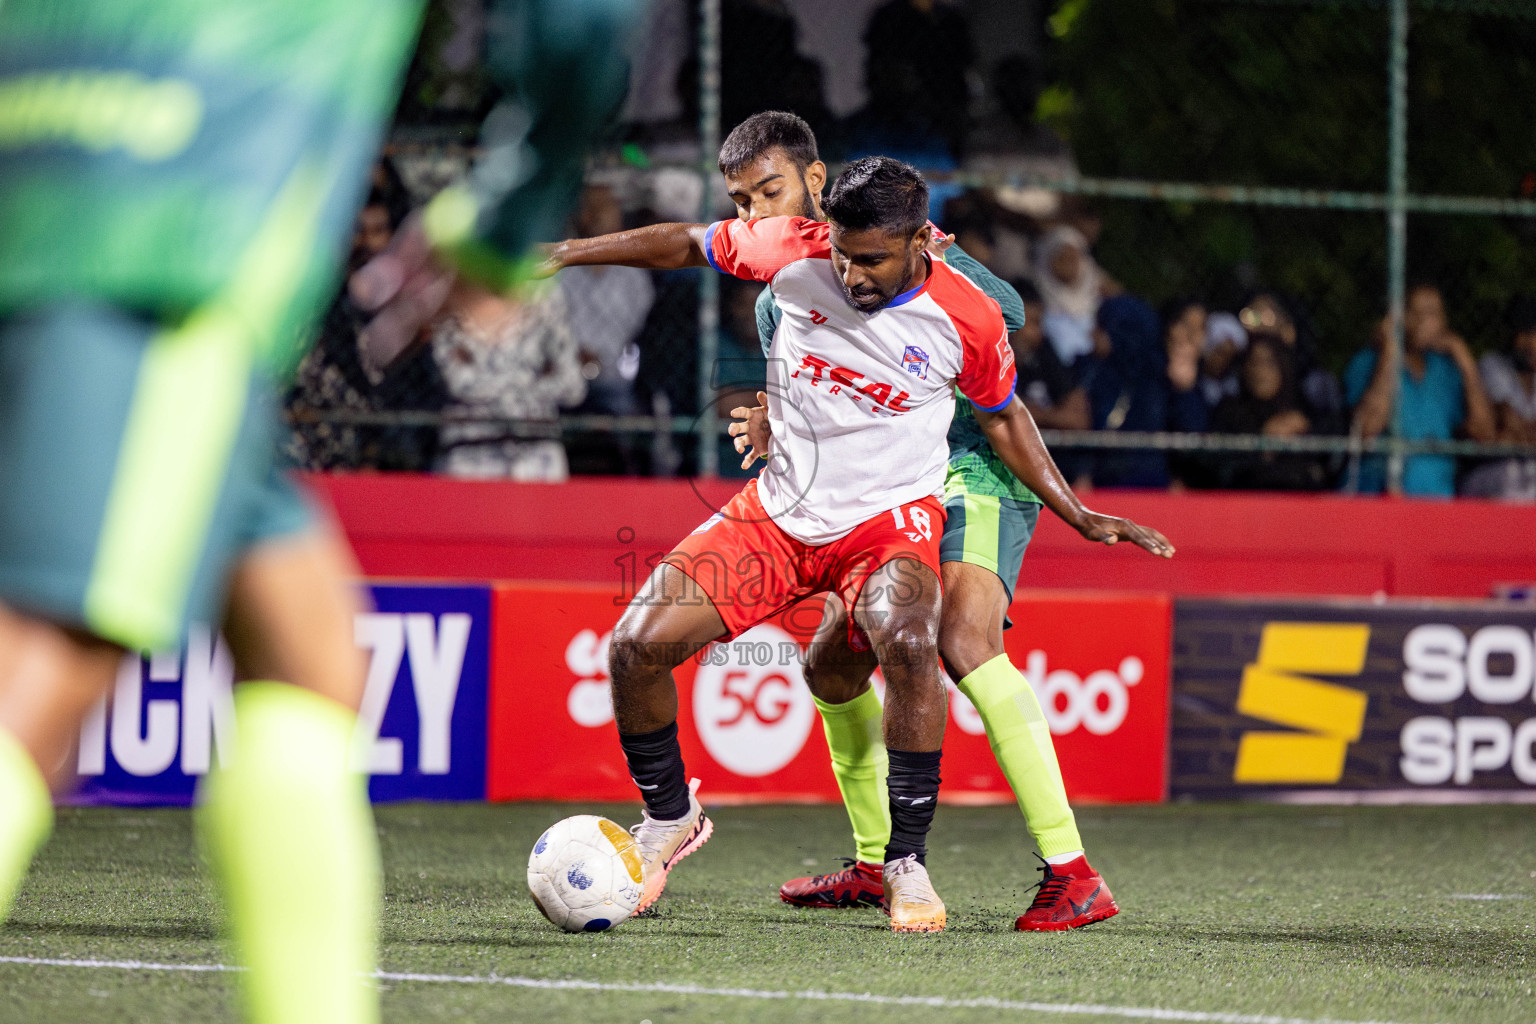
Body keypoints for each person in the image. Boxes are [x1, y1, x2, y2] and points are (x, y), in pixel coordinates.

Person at [0, 2, 639, 1023]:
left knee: (308, 655)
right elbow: (582, 21)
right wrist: (508, 215)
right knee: (42, 669)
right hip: (157, 238)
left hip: (45, 186)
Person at [542, 155, 1174, 934]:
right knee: (635, 647)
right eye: (842, 252)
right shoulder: (796, 248)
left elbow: (1006, 419)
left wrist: (1077, 513)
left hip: (888, 523)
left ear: (919, 242)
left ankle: (907, 862)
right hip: (777, 514)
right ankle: (671, 818)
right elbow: (682, 242)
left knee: (917, 641)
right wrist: (567, 253)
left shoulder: (968, 314)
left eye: (871, 257)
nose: (850, 272)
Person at [717, 112, 1125, 932]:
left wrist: (926, 262)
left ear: (818, 187)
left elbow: (1002, 309)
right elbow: (807, 380)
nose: (756, 214)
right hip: (881, 494)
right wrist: (770, 416)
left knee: (965, 641)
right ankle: (875, 868)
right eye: (739, 201)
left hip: (971, 466)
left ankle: (1074, 872)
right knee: (830, 668)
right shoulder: (783, 293)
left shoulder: (911, 251)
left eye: (771, 192)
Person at [1345, 283, 1497, 497]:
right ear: (1400, 317)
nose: (1429, 321)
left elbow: (1485, 436)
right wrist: (1390, 351)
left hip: (1437, 498)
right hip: (1378, 498)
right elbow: (1366, 429)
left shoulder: (1446, 371)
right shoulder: (1367, 363)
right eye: (1419, 313)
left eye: (1435, 313)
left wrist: (1465, 360)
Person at [432, 281, 586, 480]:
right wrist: (532, 379)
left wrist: (488, 379)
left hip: (537, 455)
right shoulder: (447, 294)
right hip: (468, 454)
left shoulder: (545, 296)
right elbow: (459, 384)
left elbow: (573, 387)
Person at [1077, 294, 1209, 489]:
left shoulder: (1172, 377)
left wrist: (1185, 391)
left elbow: (1195, 442)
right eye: (1184, 326)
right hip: (1104, 484)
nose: (1190, 337)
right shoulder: (1095, 371)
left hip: (1157, 487)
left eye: (1200, 329)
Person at [1207, 336, 1329, 491]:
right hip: (1246, 501)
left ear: (1282, 366)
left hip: (1300, 502)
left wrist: (1304, 427)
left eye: (1269, 363)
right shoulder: (1229, 410)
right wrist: (1264, 441)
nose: (1260, 371)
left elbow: (1328, 459)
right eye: (1253, 362)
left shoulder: (1302, 410)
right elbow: (1218, 466)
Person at [1462, 296, 1536, 499]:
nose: (1531, 344)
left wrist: (1516, 435)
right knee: (1509, 477)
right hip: (1494, 472)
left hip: (1529, 475)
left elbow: (1513, 432)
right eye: (1526, 334)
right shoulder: (1493, 365)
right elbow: (1506, 420)